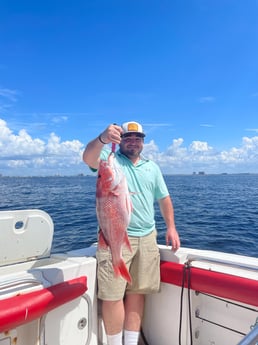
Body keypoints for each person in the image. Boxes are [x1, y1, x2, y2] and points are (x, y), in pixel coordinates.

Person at [83, 121, 180, 345]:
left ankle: (131, 342)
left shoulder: (152, 167)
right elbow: (88, 158)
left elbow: (164, 199)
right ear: (121, 140)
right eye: (128, 137)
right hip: (113, 238)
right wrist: (102, 138)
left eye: (138, 138)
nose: (133, 141)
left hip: (147, 238)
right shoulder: (111, 158)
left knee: (138, 293)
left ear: (143, 142)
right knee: (112, 295)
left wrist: (171, 227)